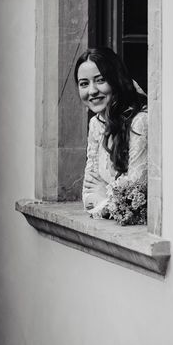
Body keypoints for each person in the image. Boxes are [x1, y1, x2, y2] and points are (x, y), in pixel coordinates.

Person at [74, 47, 148, 219]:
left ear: (116, 80)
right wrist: (106, 200)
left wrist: (103, 195)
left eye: (100, 80)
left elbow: (136, 203)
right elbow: (88, 194)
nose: (92, 91)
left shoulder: (139, 122)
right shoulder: (95, 124)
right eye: (84, 83)